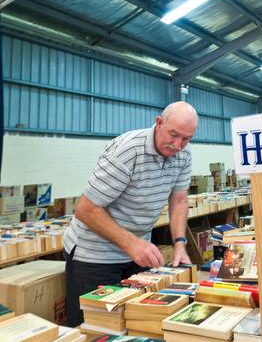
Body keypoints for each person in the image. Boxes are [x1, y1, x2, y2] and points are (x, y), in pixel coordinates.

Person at [62, 101, 198, 327]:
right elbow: (86, 210)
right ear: (159, 122)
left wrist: (180, 243)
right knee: (98, 327)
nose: (177, 145)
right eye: (173, 135)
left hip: (137, 252)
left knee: (138, 323)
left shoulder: (184, 154)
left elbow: (179, 200)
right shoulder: (128, 150)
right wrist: (131, 243)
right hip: (95, 255)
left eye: (186, 138)